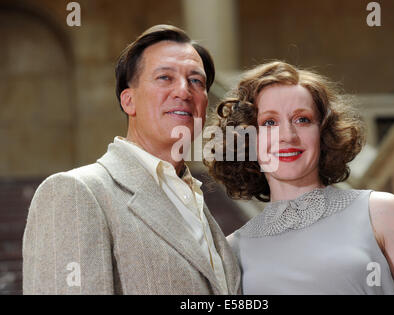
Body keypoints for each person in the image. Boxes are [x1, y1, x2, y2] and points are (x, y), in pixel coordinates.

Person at [22, 24, 240, 295]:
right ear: (129, 101)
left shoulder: (193, 197)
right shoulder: (76, 192)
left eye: (196, 81)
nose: (184, 91)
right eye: (165, 78)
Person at [204, 61, 394, 295]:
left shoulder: (381, 212)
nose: (288, 135)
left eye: (302, 119)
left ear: (323, 132)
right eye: (270, 122)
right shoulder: (233, 250)